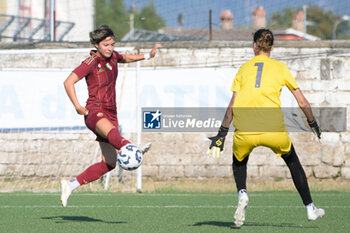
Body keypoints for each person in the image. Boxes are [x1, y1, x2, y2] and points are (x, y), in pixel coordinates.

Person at [208, 28, 324, 227]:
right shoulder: (280, 68)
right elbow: (302, 102)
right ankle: (310, 208)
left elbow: (231, 107)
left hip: (245, 129)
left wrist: (221, 135)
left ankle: (242, 193)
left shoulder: (243, 69)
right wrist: (313, 123)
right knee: (292, 161)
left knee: (239, 160)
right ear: (272, 48)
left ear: (254, 46)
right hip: (273, 130)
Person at [61, 25, 161, 207]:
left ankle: (70, 185)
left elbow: (125, 58)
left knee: (109, 164)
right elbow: (68, 82)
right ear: (97, 45)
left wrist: (148, 56)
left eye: (112, 44)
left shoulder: (113, 56)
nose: (110, 48)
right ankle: (132, 148)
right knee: (116, 137)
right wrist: (77, 106)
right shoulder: (90, 62)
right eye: (106, 45)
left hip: (111, 113)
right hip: (94, 111)